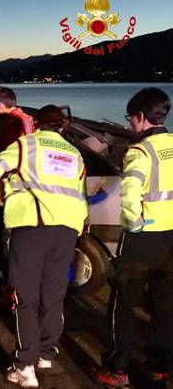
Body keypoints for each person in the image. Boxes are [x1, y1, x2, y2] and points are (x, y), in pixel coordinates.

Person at [0, 105, 88, 387]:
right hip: (67, 231)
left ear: (36, 123)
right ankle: (45, 352)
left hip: (32, 228)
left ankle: (25, 367)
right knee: (54, 296)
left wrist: (4, 196)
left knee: (26, 299)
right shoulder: (75, 154)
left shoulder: (25, 145)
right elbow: (79, 194)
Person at [94, 88, 173, 388]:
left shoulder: (140, 151)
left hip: (144, 237)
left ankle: (118, 367)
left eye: (131, 119)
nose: (129, 125)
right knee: (165, 303)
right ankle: (160, 365)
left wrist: (136, 221)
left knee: (124, 303)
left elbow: (130, 190)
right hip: (171, 239)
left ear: (141, 117)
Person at [0, 86, 36, 311]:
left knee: (8, 246)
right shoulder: (27, 119)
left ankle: (7, 295)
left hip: (13, 193)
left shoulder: (14, 125)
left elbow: (2, 160)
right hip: (24, 191)